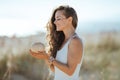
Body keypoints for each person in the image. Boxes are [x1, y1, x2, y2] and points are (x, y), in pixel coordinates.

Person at [29, 5, 84, 80]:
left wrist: (48, 57)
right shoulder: (62, 41)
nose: (54, 22)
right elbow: (56, 70)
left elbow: (70, 71)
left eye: (58, 19)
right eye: (55, 19)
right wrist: (45, 57)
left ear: (70, 20)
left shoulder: (75, 41)